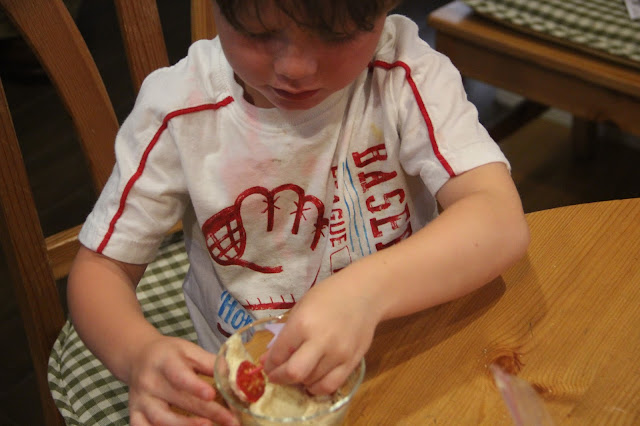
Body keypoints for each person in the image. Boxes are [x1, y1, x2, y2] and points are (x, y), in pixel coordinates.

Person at [67, 0, 530, 424]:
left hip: (403, 354)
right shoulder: (181, 110)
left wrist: (364, 293)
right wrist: (136, 353)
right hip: (251, 392)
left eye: (336, 35)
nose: (294, 68)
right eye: (259, 32)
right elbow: (100, 269)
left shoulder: (405, 74)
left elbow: (497, 218)